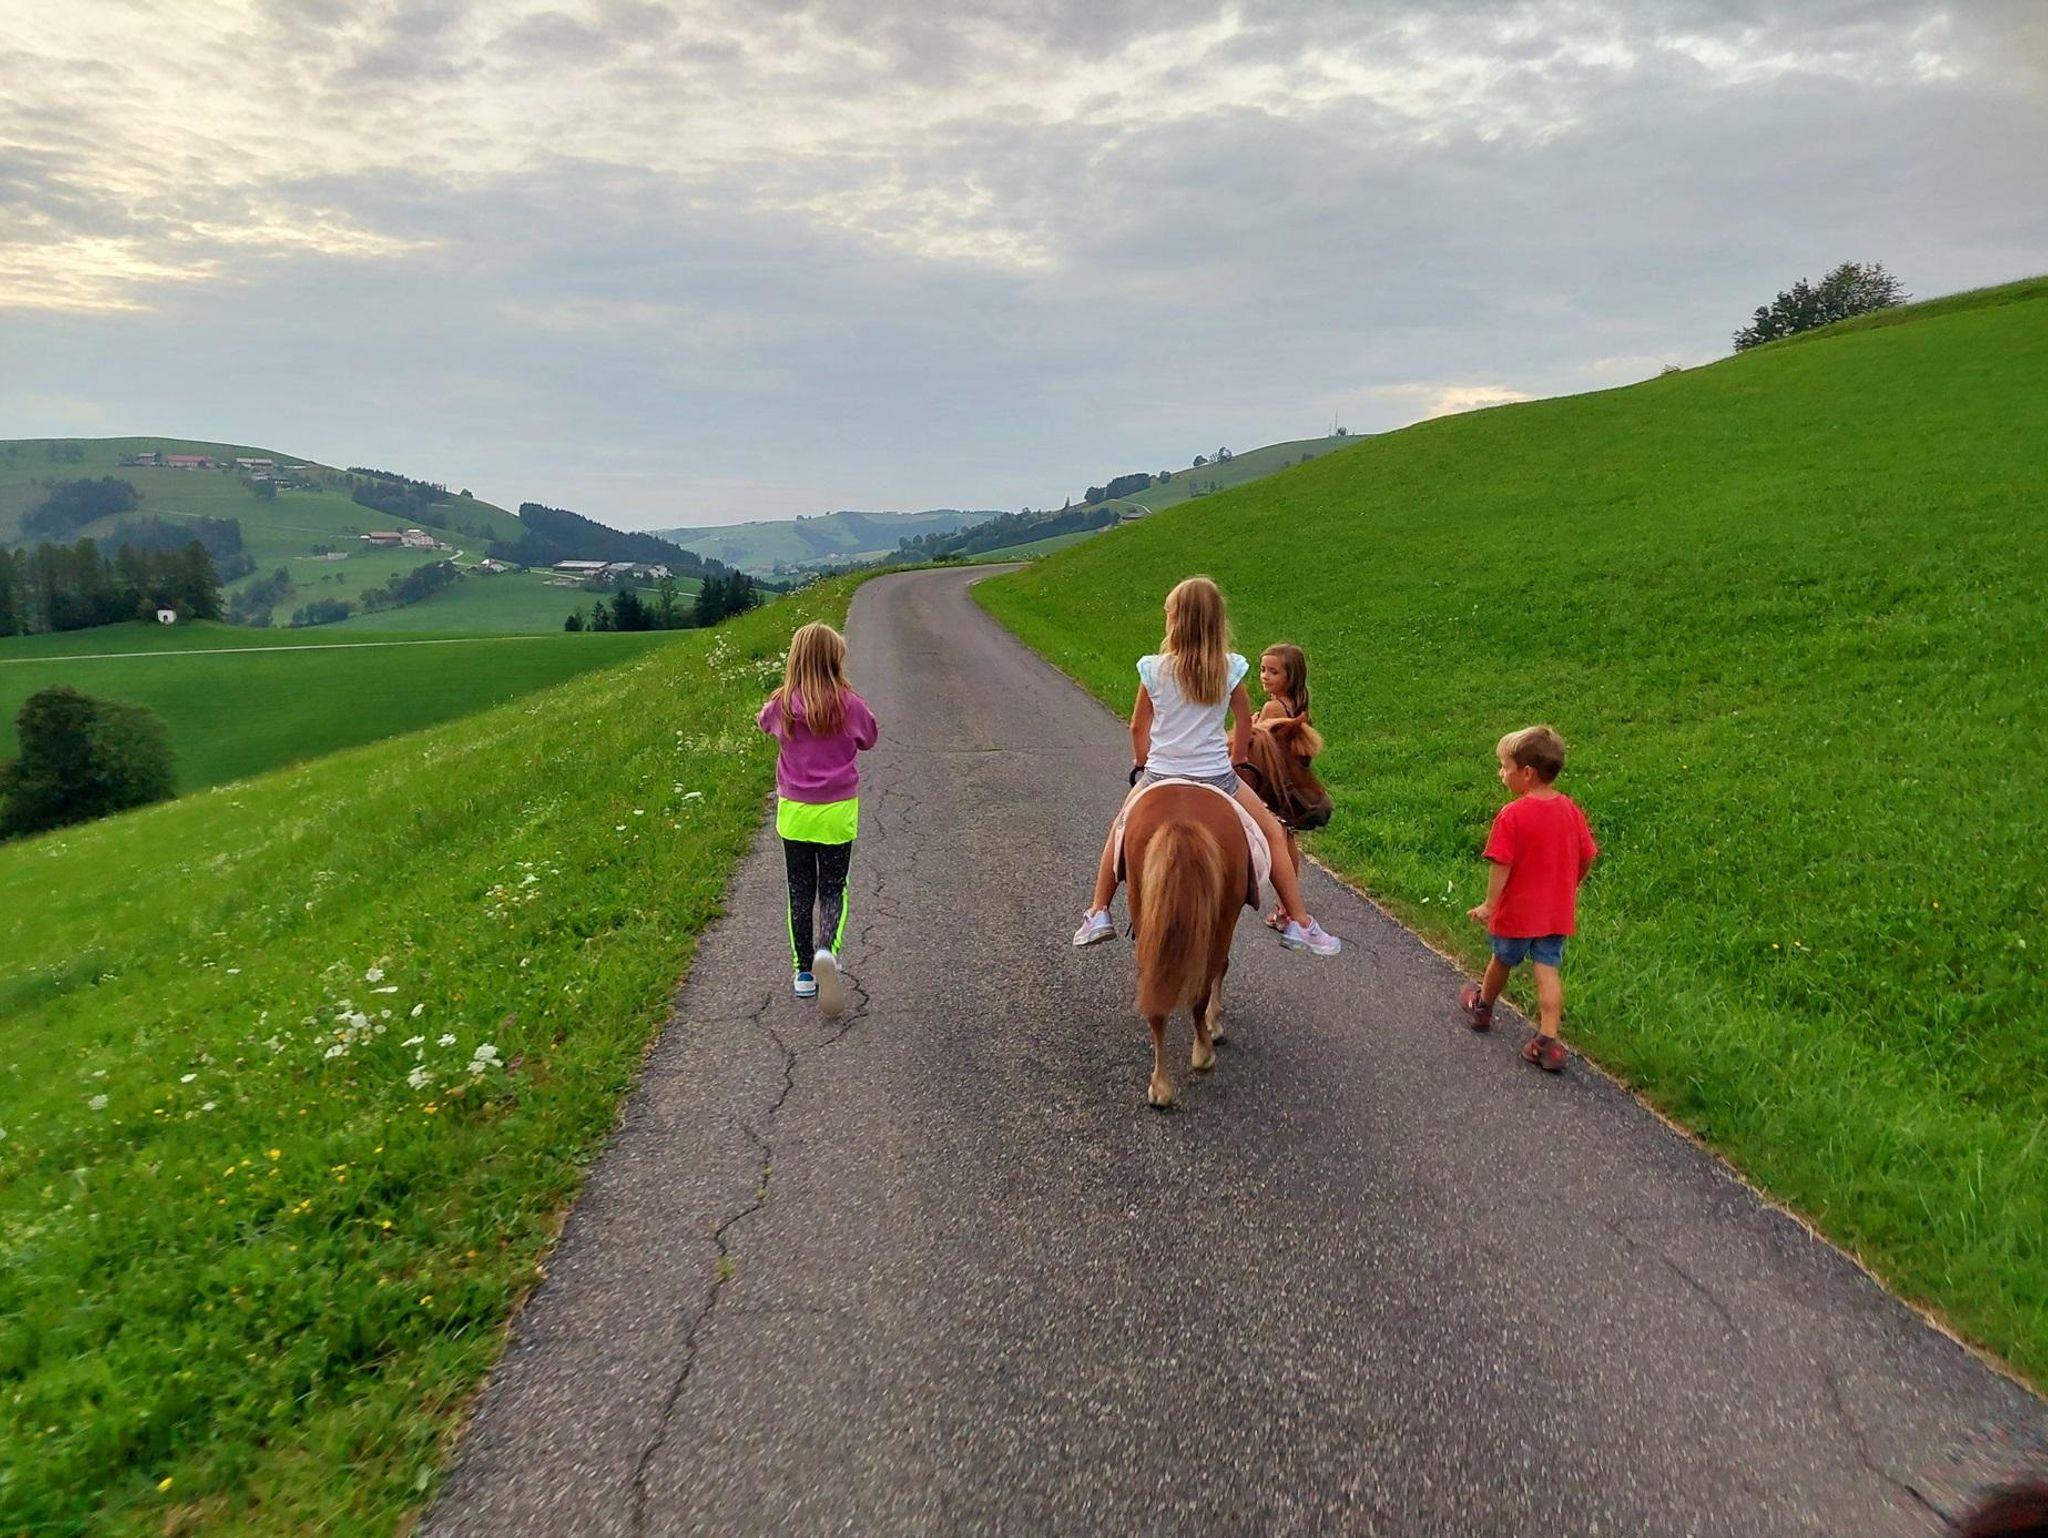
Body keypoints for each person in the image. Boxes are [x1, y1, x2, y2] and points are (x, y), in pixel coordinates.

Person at [1072, 577, 1340, 956]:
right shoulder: (1229, 669)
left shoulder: (1153, 669)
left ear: (1174, 621)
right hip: (1217, 776)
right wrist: (1240, 759)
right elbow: (1244, 722)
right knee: (1273, 833)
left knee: (1119, 829)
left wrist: (1143, 761)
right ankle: (1299, 921)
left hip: (1161, 774)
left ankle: (1099, 911)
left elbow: (1137, 726)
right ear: (1217, 623)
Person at [1459, 724, 1597, 1071]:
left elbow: (1501, 864)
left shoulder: (1513, 815)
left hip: (1518, 913)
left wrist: (1490, 904)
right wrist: (1571, 884)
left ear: (1527, 773)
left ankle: (1483, 1006)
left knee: (1502, 960)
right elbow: (1588, 854)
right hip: (1554, 913)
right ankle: (1548, 1040)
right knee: (1547, 969)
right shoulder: (1570, 810)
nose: (1501, 773)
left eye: (1505, 767)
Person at [757, 621, 877, 1016]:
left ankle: (803, 972)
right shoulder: (848, 704)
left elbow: (763, 723)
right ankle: (827, 950)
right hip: (837, 812)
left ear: (795, 659)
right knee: (833, 887)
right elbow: (869, 737)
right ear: (835, 660)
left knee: (799, 890)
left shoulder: (782, 704)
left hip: (795, 812)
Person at [1256, 643, 1313, 930]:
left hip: (1272, 783)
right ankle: (1287, 904)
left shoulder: (1273, 707)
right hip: (1290, 782)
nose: (1265, 676)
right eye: (1263, 669)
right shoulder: (1295, 706)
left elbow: (1258, 742)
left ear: (1291, 676)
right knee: (1287, 840)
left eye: (1273, 672)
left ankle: (1285, 909)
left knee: (1275, 841)